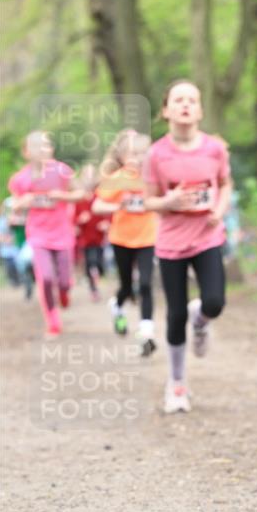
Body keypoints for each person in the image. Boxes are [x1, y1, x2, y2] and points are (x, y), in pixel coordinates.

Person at [144, 80, 232, 412]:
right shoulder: (156, 154)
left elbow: (224, 184)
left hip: (207, 236)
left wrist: (220, 210)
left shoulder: (214, 149)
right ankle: (177, 384)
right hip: (171, 242)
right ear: (166, 110)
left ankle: (202, 320)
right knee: (175, 313)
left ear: (200, 110)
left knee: (214, 302)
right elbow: (148, 200)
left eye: (192, 100)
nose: (185, 105)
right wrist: (171, 199)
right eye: (178, 100)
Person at [8, 131, 83, 336]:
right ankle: (53, 322)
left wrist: (63, 195)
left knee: (65, 280)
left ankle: (65, 292)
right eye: (37, 146)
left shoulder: (62, 171)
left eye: (47, 145)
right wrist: (24, 202)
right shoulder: (20, 179)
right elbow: (14, 205)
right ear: (26, 152)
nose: (43, 150)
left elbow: (80, 194)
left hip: (63, 233)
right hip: (38, 234)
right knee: (46, 278)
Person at [92, 130, 157, 355]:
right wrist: (118, 205)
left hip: (148, 238)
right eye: (132, 154)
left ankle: (147, 332)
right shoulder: (117, 178)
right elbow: (97, 207)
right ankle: (117, 306)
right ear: (121, 157)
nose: (138, 159)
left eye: (142, 154)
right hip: (122, 239)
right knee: (127, 286)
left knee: (147, 284)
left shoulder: (154, 177)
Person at [73, 163, 108, 302]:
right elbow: (73, 218)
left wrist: (107, 223)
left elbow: (108, 213)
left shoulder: (101, 195)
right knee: (90, 262)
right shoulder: (79, 198)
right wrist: (79, 221)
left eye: (92, 175)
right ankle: (93, 289)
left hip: (99, 237)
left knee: (99, 263)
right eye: (86, 175)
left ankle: (98, 276)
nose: (89, 179)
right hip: (85, 238)